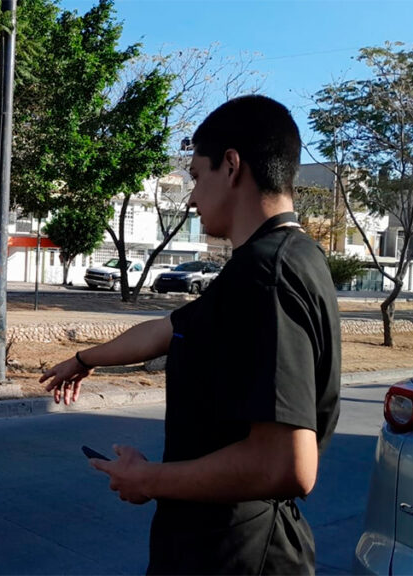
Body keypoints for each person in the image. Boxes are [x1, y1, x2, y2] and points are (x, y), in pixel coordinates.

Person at [40, 95, 340, 575]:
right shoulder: (275, 261)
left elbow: (285, 465)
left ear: (232, 166)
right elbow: (168, 331)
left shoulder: (267, 274)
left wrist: (148, 479)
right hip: (215, 546)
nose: (192, 198)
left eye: (198, 176)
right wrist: (84, 359)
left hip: (239, 554)